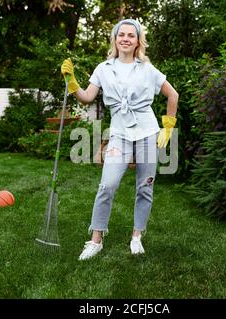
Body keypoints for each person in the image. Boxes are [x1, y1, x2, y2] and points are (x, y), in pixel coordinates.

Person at [61, 18, 178, 260]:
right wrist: (72, 83)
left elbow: (172, 95)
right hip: (119, 134)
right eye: (121, 34)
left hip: (147, 132)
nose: (125, 38)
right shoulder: (103, 68)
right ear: (115, 39)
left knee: (145, 186)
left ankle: (137, 236)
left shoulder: (147, 69)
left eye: (131, 35)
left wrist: (168, 126)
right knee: (108, 184)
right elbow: (87, 97)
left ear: (137, 42)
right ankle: (96, 239)